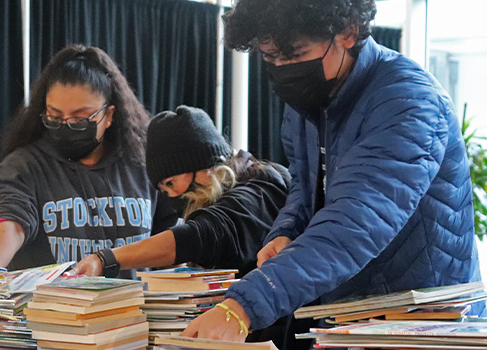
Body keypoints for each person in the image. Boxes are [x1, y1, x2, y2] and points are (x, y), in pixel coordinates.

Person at [181, 0, 484, 343]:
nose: (282, 67)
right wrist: (287, 230)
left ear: (348, 32)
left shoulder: (408, 101)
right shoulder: (311, 99)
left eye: (294, 54)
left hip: (425, 321)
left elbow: (356, 221)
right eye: (270, 57)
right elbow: (305, 184)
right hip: (356, 313)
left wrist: (245, 305)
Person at [0, 45, 178, 275]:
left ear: (109, 115)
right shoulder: (24, 166)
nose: (66, 126)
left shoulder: (142, 163)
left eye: (80, 119)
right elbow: (10, 223)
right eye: (55, 116)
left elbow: (171, 243)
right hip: (51, 309)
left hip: (133, 309)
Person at [69, 105, 290, 278]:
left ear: (205, 167)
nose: (171, 197)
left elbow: (205, 234)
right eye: (163, 190)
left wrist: (107, 258)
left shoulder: (261, 187)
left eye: (171, 184)